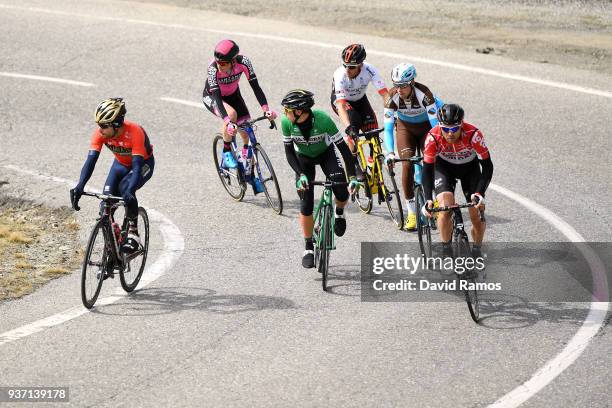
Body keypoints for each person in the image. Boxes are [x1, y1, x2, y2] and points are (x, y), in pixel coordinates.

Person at [281, 89, 360, 268]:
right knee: (306, 203)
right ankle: (308, 246)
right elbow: (289, 153)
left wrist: (353, 177)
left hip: (326, 155)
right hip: (303, 161)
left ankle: (339, 211)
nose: (285, 113)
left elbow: (344, 150)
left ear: (299, 111)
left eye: (288, 109)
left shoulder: (323, 120)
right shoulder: (286, 122)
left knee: (340, 188)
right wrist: (300, 175)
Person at [70, 98, 155, 254]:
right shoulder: (101, 134)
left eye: (103, 125)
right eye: (98, 125)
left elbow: (136, 168)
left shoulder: (135, 132)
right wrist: (80, 185)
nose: (99, 129)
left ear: (116, 124)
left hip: (142, 164)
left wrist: (130, 191)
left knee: (125, 189)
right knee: (105, 205)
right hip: (120, 165)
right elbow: (91, 161)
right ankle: (113, 243)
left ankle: (133, 232)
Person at [202, 39, 276, 194]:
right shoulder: (213, 69)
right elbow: (216, 97)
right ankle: (227, 151)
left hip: (233, 95)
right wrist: (228, 121)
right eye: (218, 62)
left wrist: (266, 109)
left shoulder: (244, 62)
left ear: (233, 61)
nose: (219, 65)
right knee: (232, 114)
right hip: (214, 97)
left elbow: (256, 87)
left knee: (247, 132)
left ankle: (248, 171)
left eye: (223, 63)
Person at [421, 104, 493, 258]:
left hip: (470, 169)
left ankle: (477, 249)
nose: (450, 133)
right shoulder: (433, 137)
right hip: (444, 169)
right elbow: (427, 169)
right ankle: (446, 250)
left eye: (454, 129)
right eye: (445, 129)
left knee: (477, 214)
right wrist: (428, 199)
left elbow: (487, 166)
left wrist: (480, 193)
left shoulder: (473, 134)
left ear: (461, 124)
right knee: (445, 210)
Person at [383, 63, 444, 231]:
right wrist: (389, 152)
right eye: (396, 85)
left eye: (403, 85)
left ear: (411, 82)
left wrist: (436, 147)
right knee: (407, 165)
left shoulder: (425, 94)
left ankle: (433, 199)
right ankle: (411, 212)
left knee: (431, 162)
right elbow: (388, 128)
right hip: (405, 130)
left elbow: (434, 127)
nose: (399, 89)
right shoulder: (391, 97)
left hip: (426, 129)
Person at [330, 44, 389, 159]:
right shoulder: (339, 74)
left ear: (360, 65)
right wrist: (348, 127)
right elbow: (341, 105)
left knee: (374, 135)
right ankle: (354, 162)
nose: (347, 70)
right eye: (345, 65)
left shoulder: (370, 70)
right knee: (354, 124)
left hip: (360, 100)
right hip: (342, 102)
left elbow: (385, 95)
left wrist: (393, 115)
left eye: (351, 67)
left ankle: (374, 164)